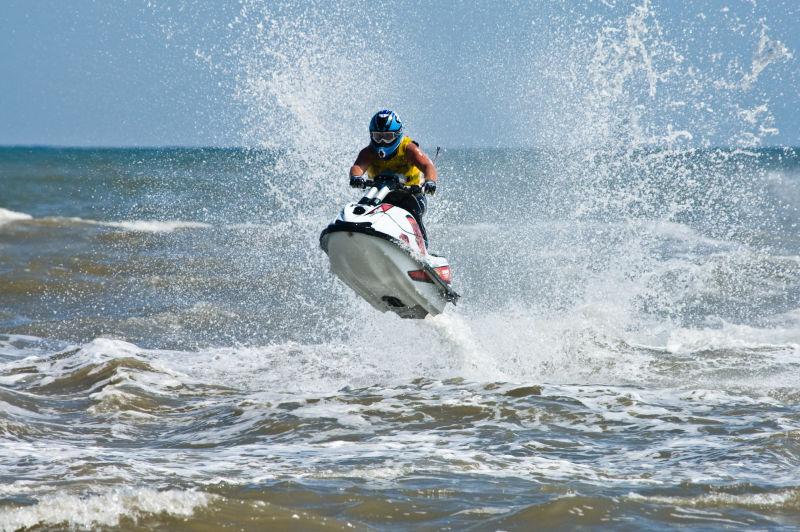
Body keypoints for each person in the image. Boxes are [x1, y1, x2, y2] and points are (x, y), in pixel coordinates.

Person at [348, 109, 438, 245]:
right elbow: (358, 167)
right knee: (362, 208)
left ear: (397, 135)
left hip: (411, 195)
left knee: (413, 213)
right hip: (380, 193)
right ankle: (351, 234)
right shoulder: (369, 152)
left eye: (387, 137)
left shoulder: (408, 148)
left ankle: (423, 249)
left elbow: (427, 166)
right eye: (378, 137)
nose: (382, 142)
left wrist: (430, 181)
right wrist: (356, 177)